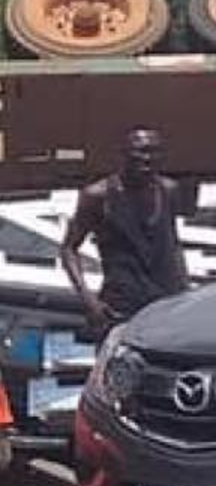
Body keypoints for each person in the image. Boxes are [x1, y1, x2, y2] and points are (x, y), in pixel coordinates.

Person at [61, 127, 190, 338]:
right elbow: (69, 249)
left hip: (166, 304)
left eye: (153, 151)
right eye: (140, 151)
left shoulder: (169, 190)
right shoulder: (98, 195)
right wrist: (89, 300)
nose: (146, 158)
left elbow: (172, 244)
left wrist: (184, 293)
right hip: (121, 306)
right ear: (124, 154)